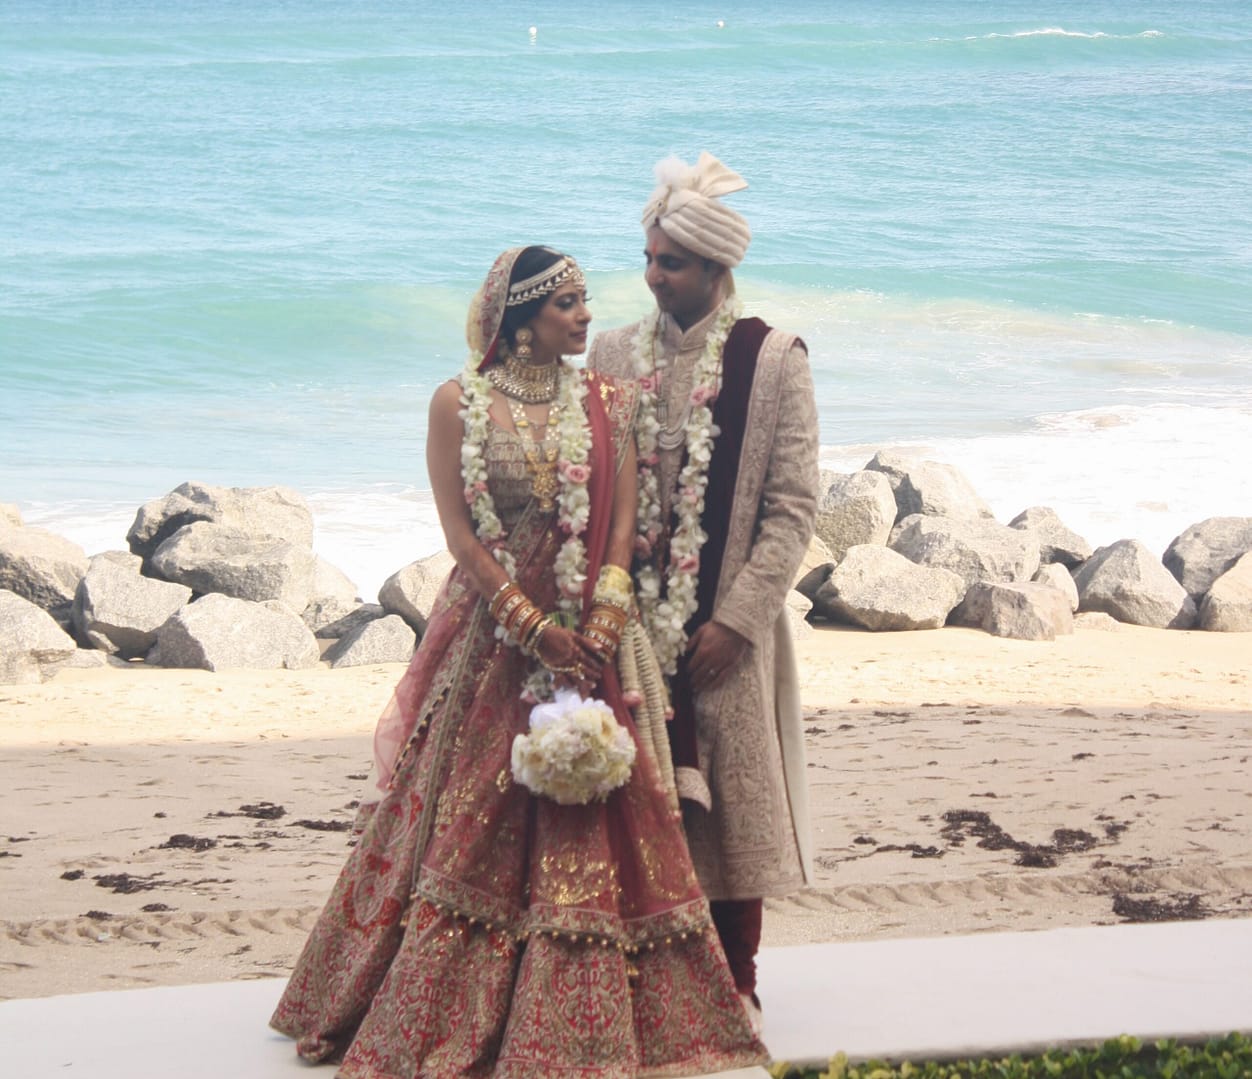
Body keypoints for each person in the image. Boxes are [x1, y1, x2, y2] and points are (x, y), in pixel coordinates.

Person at [270, 246, 766, 1077]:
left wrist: (604, 612)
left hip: (592, 634)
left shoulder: (609, 399)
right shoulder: (457, 403)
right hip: (495, 639)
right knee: (466, 820)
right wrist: (527, 623)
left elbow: (621, 521)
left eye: (584, 301)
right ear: (522, 319)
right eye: (568, 304)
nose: (585, 316)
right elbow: (461, 536)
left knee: (609, 806)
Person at [588, 155, 820, 1031]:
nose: (653, 276)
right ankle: (643, 982)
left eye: (671, 262)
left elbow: (794, 508)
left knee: (732, 814)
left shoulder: (774, 359)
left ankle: (739, 983)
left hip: (728, 627)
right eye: (649, 258)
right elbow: (594, 482)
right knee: (634, 802)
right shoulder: (612, 352)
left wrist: (737, 617)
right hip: (631, 623)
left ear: (718, 271)